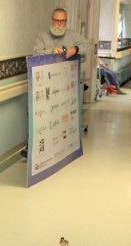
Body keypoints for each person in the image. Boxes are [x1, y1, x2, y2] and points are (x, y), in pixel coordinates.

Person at [23, 8, 89, 158]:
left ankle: (62, 147)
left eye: (62, 21)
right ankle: (34, 148)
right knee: (43, 118)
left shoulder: (73, 35)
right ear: (52, 20)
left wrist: (76, 48)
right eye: (56, 21)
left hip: (65, 87)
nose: (59, 24)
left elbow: (87, 47)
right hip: (45, 86)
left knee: (62, 118)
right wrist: (50, 51)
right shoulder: (42, 36)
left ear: (66, 22)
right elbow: (35, 52)